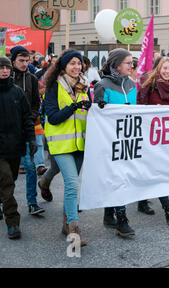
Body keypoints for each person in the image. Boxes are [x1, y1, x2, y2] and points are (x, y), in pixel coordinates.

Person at [43, 49, 92, 246]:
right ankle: (74, 230)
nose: (76, 67)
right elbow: (53, 117)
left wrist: (96, 107)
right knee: (72, 185)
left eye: (79, 63)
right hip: (60, 144)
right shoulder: (54, 87)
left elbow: (90, 115)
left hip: (80, 144)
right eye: (72, 63)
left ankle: (65, 224)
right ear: (63, 66)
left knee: (71, 187)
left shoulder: (85, 86)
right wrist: (73, 106)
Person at [94, 48, 137, 237]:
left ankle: (108, 214)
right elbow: (97, 118)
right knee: (117, 178)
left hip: (128, 139)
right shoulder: (102, 85)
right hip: (109, 140)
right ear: (117, 64)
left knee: (121, 178)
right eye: (128, 63)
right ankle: (122, 220)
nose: (132, 66)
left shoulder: (133, 85)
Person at [137, 57, 169, 223]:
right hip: (149, 133)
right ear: (158, 69)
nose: (167, 72)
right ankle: (168, 210)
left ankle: (142, 202)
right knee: (156, 170)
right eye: (164, 68)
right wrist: (151, 110)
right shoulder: (148, 83)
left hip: (165, 135)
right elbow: (139, 106)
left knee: (152, 170)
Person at [0, 56, 37, 239]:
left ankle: (2, 202)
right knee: (6, 183)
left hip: (15, 146)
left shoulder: (17, 92)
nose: (4, 71)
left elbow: (26, 118)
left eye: (6, 68)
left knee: (10, 181)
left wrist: (32, 139)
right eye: (1, 68)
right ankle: (13, 223)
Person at [10, 46, 44, 215]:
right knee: (6, 171)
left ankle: (32, 202)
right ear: (13, 61)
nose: (24, 64)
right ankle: (3, 203)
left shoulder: (31, 79)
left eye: (27, 60)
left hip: (25, 130)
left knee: (30, 167)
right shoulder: (6, 77)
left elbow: (36, 103)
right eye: (21, 61)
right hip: (7, 132)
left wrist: (29, 119)